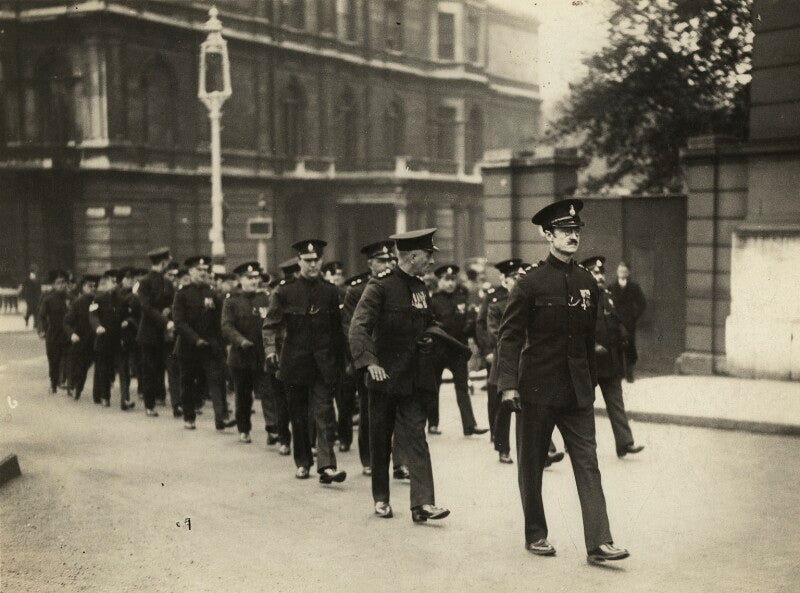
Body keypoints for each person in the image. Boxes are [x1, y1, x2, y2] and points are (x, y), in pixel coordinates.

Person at [496, 199, 629, 565]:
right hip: (536, 389)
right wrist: (509, 384)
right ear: (547, 235)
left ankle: (600, 542)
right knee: (532, 464)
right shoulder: (529, 284)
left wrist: (592, 382)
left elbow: (587, 341)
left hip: (577, 392)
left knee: (588, 463)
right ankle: (536, 534)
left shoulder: (588, 282)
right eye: (564, 231)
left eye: (575, 231)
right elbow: (509, 337)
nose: (572, 237)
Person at [349, 228, 449, 522]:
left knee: (416, 437)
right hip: (383, 378)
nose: (432, 261)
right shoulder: (378, 287)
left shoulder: (421, 288)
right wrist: (369, 363)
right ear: (412, 256)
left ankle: (423, 504)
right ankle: (381, 498)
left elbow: (429, 321)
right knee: (381, 439)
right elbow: (359, 327)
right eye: (428, 255)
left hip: (413, 376)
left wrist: (431, 337)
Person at [262, 239, 347, 484]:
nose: (312, 265)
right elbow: (270, 326)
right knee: (298, 416)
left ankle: (327, 466)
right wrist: (270, 351)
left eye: (316, 260)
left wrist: (342, 362)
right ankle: (303, 462)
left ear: (321, 261)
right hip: (294, 362)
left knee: (324, 413)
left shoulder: (330, 292)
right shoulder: (285, 291)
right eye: (307, 261)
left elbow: (336, 330)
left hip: (323, 363)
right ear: (299, 261)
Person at [341, 239, 409, 477]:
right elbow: (352, 327)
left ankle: (400, 462)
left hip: (394, 356)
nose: (387, 264)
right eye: (381, 260)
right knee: (372, 412)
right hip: (368, 358)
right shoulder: (356, 290)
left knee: (401, 410)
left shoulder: (397, 285)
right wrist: (365, 358)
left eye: (390, 259)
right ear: (370, 263)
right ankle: (368, 458)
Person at [580, 256, 644, 458]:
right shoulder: (582, 299)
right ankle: (581, 446)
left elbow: (616, 323)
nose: (600, 277)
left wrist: (624, 340)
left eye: (601, 273)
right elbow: (577, 329)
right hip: (589, 363)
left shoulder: (607, 295)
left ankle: (625, 442)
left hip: (610, 361)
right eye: (595, 273)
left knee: (616, 403)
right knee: (583, 407)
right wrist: (592, 345)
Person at [173, 256, 235, 432]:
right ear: (191, 272)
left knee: (216, 380)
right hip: (188, 346)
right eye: (199, 270)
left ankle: (221, 418)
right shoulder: (182, 294)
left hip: (210, 345)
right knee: (187, 382)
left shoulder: (212, 293)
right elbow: (179, 322)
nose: (203, 273)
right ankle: (189, 416)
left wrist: (221, 343)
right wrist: (195, 339)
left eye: (205, 270)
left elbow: (219, 320)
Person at [428, 264, 488, 436]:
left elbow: (470, 318)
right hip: (438, 350)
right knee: (434, 388)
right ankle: (432, 423)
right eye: (446, 280)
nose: (450, 283)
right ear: (439, 281)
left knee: (462, 388)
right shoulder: (433, 300)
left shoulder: (462, 296)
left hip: (457, 349)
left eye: (452, 279)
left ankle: (469, 425)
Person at [221, 261, 271, 444]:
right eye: (250, 278)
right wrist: (240, 341)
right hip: (240, 357)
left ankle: (272, 428)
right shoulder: (231, 301)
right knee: (243, 396)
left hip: (262, 354)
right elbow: (226, 327)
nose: (254, 281)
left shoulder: (265, 298)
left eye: (256, 277)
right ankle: (244, 429)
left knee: (268, 392)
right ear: (241, 280)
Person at [136, 247, 175, 418]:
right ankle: (149, 405)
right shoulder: (144, 282)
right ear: (163, 262)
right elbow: (145, 307)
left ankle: (177, 404)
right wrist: (165, 320)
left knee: (173, 368)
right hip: (150, 333)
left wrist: (169, 309)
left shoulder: (167, 282)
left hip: (166, 334)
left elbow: (173, 302)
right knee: (150, 370)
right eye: (168, 261)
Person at [90, 269, 134, 410]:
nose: (113, 285)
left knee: (123, 370)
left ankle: (125, 399)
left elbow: (129, 314)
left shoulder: (122, 300)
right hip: (104, 339)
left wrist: (127, 321)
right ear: (105, 283)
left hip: (119, 339)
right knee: (104, 369)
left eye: (115, 282)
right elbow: (93, 315)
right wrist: (97, 327)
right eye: (110, 282)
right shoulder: (98, 299)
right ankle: (105, 396)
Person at [609, 261, 647, 382]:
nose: (622, 273)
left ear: (628, 273)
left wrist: (634, 316)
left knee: (630, 347)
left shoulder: (634, 287)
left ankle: (630, 374)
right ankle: (619, 374)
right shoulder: (611, 287)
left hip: (629, 323)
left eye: (625, 271)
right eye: (620, 270)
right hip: (615, 322)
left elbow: (642, 303)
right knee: (617, 347)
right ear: (617, 272)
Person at [63, 274, 98, 400]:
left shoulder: (98, 301)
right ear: (83, 287)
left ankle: (80, 390)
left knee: (86, 367)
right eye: (90, 286)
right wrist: (72, 334)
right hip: (80, 340)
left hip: (94, 341)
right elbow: (67, 321)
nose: (93, 288)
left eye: (95, 286)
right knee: (79, 367)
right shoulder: (78, 303)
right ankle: (74, 388)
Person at [38, 270, 71, 394]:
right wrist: (44, 329)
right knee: (54, 361)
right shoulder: (48, 299)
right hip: (53, 335)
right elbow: (41, 316)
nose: (62, 285)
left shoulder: (71, 298)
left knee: (68, 360)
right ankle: (53, 384)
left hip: (67, 335)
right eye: (58, 283)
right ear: (54, 285)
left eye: (64, 283)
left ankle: (67, 383)